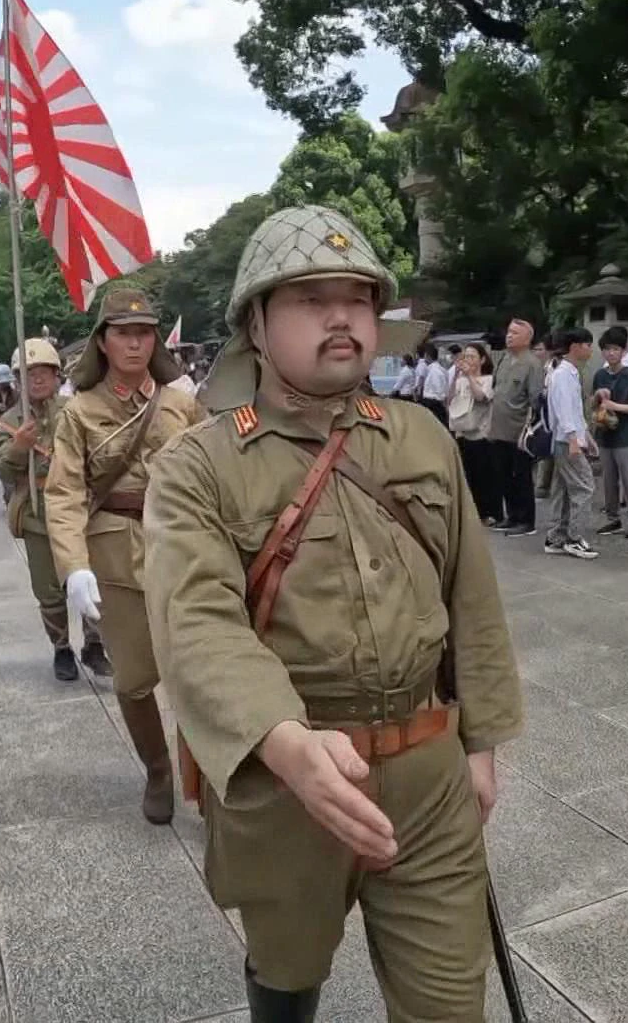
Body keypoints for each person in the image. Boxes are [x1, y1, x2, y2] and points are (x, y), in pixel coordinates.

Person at [145, 204, 524, 1019]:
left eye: (357, 297)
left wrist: (481, 742)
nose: (342, 317)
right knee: (288, 970)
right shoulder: (199, 466)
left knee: (450, 1002)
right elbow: (198, 625)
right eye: (310, 298)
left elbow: (473, 597)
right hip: (287, 777)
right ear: (256, 320)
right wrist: (284, 742)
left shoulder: (421, 438)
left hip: (427, 771)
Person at [44, 285, 203, 825]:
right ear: (103, 342)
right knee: (135, 677)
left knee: (200, 673)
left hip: (184, 546)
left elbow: (215, 477)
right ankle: (158, 768)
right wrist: (74, 566)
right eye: (122, 332)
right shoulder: (80, 412)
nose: (135, 343)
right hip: (115, 551)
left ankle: (209, 777)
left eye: (144, 332)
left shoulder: (182, 404)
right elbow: (63, 493)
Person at [0, 338, 107, 682]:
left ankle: (95, 644)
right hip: (37, 513)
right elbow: (3, 470)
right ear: (17, 380)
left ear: (58, 375)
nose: (37, 380)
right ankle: (61, 648)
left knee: (89, 580)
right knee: (48, 590)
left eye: (43, 372)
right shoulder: (10, 420)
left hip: (78, 509)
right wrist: (19, 448)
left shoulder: (76, 410)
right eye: (28, 374)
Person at [542, 328, 599, 560]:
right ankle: (574, 538)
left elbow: (576, 412)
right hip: (567, 441)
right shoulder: (564, 374)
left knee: (564, 489)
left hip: (567, 439)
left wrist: (587, 437)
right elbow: (565, 410)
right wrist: (575, 439)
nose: (590, 349)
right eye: (587, 344)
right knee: (584, 486)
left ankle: (556, 536)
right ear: (574, 346)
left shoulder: (568, 372)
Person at [486, 319, 544, 536]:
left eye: (515, 333)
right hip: (498, 428)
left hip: (520, 430)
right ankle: (511, 515)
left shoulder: (532, 364)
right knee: (503, 475)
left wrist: (529, 430)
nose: (509, 336)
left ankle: (526, 520)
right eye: (509, 331)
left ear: (527, 339)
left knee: (521, 477)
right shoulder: (503, 359)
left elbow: (536, 400)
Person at [592, 326, 628, 538]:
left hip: (627, 434)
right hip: (605, 433)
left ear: (623, 351)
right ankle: (613, 518)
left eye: (615, 349)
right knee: (608, 480)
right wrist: (598, 397)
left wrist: (615, 405)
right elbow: (592, 404)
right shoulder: (600, 375)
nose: (611, 353)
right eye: (607, 349)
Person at [446, 342, 498, 524]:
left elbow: (480, 397)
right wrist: (456, 376)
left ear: (482, 359)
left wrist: (469, 376)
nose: (468, 360)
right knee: (465, 474)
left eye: (472, 356)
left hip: (480, 432)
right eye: (465, 356)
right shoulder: (460, 379)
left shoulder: (488, 379)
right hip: (462, 432)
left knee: (482, 475)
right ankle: (468, 511)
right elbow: (449, 399)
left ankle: (486, 512)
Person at [417, 343, 451, 427]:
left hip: (433, 404)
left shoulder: (435, 371)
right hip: (433, 403)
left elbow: (440, 392)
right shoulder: (436, 369)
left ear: (427, 356)